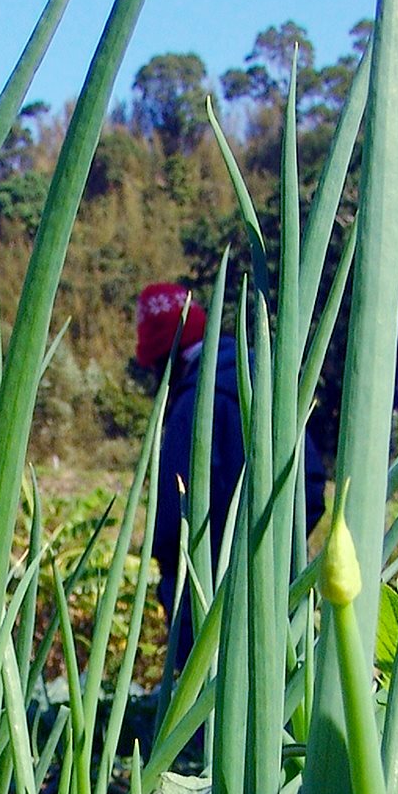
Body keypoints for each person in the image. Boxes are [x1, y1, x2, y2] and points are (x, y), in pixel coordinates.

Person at [135, 280, 324, 667]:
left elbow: (173, 523)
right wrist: (271, 559)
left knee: (207, 719)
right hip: (278, 595)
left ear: (162, 357)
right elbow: (312, 485)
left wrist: (182, 572)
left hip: (204, 603)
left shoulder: (194, 405)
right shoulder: (269, 381)